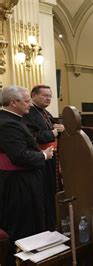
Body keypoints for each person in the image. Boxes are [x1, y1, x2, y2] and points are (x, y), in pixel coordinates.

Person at [0, 85, 54, 266]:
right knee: (22, 226)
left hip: (22, 180)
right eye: (26, 101)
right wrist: (43, 155)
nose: (30, 105)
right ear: (13, 102)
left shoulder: (13, 119)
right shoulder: (8, 123)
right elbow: (20, 156)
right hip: (18, 184)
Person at [22, 85, 65, 231]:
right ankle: (46, 225)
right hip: (39, 159)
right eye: (44, 95)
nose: (48, 98)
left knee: (52, 190)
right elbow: (31, 137)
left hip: (51, 157)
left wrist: (60, 128)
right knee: (44, 192)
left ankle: (53, 221)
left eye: (50, 96)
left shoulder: (44, 112)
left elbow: (52, 127)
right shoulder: (28, 113)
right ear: (33, 96)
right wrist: (53, 133)